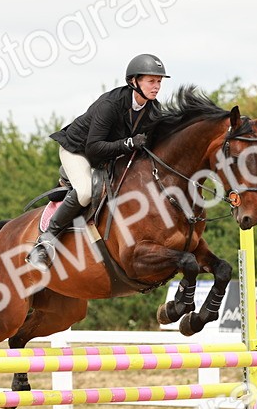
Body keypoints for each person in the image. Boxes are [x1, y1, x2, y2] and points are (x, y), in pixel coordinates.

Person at [26, 53, 170, 270]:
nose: (156, 86)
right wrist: (129, 143)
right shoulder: (110, 105)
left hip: (109, 155)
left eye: (159, 81)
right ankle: (46, 240)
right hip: (78, 150)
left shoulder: (153, 110)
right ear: (133, 81)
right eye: (151, 81)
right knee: (84, 192)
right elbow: (94, 149)